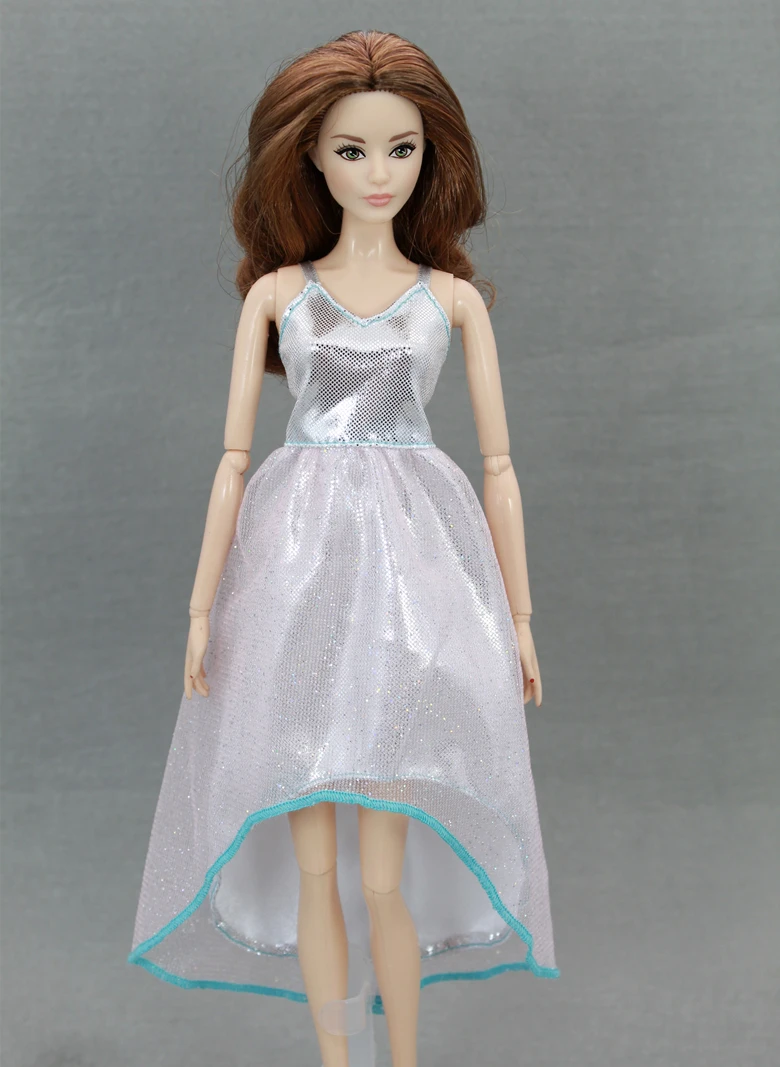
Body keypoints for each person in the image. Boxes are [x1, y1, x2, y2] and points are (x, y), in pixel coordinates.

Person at [128, 29, 559, 1067]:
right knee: (315, 853)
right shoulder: (279, 294)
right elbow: (233, 460)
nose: (379, 173)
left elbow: (500, 467)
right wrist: (201, 607)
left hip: (413, 565)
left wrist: (519, 616)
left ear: (431, 155)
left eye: (402, 148)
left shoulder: (449, 299)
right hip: (296, 563)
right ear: (311, 159)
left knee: (382, 866)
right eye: (353, 150)